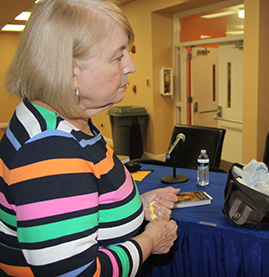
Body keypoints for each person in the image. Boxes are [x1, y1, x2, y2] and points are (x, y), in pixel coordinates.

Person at [0, 0, 179, 276]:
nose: (130, 66)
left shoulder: (68, 120)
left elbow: (78, 202)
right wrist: (150, 241)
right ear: (71, 70)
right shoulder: (49, 148)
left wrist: (134, 205)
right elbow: (75, 273)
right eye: (118, 56)